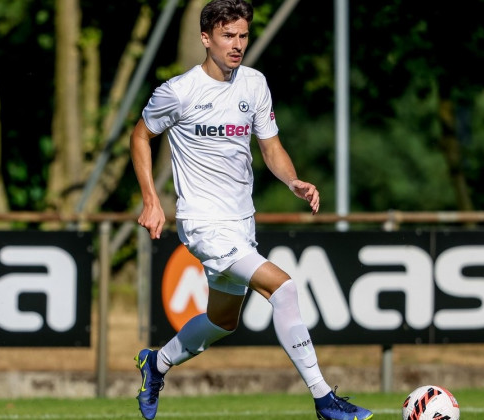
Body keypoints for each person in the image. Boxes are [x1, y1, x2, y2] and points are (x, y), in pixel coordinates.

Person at [129, 1, 374, 419]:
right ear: (206, 38)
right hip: (205, 225)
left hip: (242, 223)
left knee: (223, 321)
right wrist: (152, 200)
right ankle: (323, 399)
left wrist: (292, 180)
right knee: (285, 288)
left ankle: (157, 363)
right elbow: (139, 138)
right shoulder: (178, 91)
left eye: (243, 36)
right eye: (228, 36)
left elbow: (271, 147)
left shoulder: (255, 84)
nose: (237, 44)